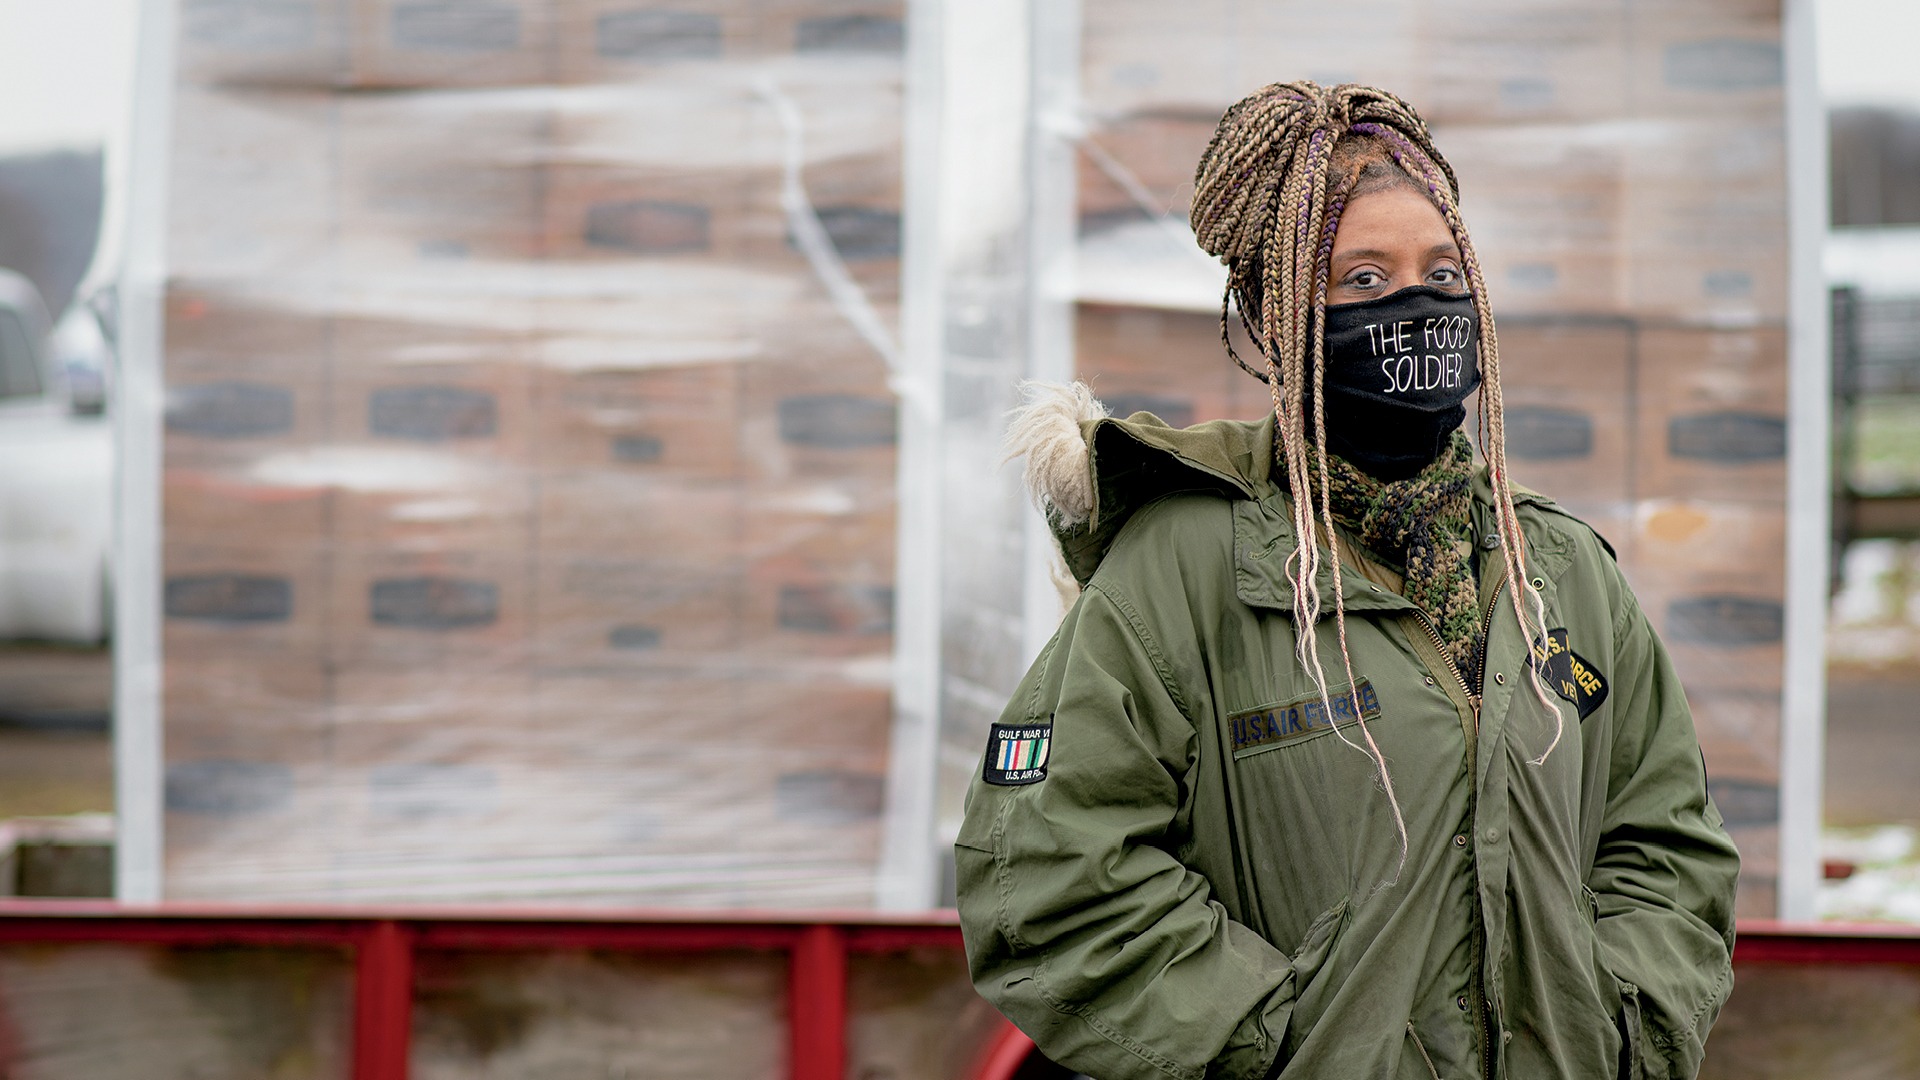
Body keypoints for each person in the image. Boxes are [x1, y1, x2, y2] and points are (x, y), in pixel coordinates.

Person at [954, 81, 1739, 1080]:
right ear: (1272, 316)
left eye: (1442, 272)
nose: (1417, 307)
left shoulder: (1563, 570)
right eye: (1363, 281)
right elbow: (1049, 872)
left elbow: (1666, 844)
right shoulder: (1185, 568)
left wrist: (1623, 1031)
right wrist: (1278, 1050)